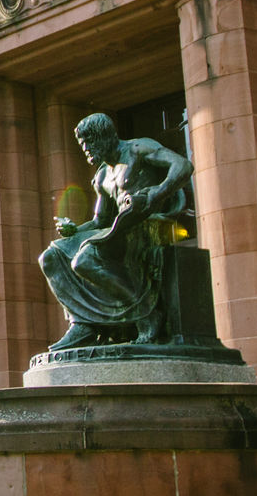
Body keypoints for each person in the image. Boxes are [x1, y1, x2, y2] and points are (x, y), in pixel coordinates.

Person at [39, 112, 193, 350]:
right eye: (83, 145)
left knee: (84, 261)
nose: (86, 149)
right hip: (118, 228)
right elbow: (101, 221)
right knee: (50, 257)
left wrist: (158, 192)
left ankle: (146, 313)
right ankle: (83, 322)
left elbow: (183, 165)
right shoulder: (102, 176)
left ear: (105, 137)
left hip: (146, 223)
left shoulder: (138, 149)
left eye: (89, 143)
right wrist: (74, 230)